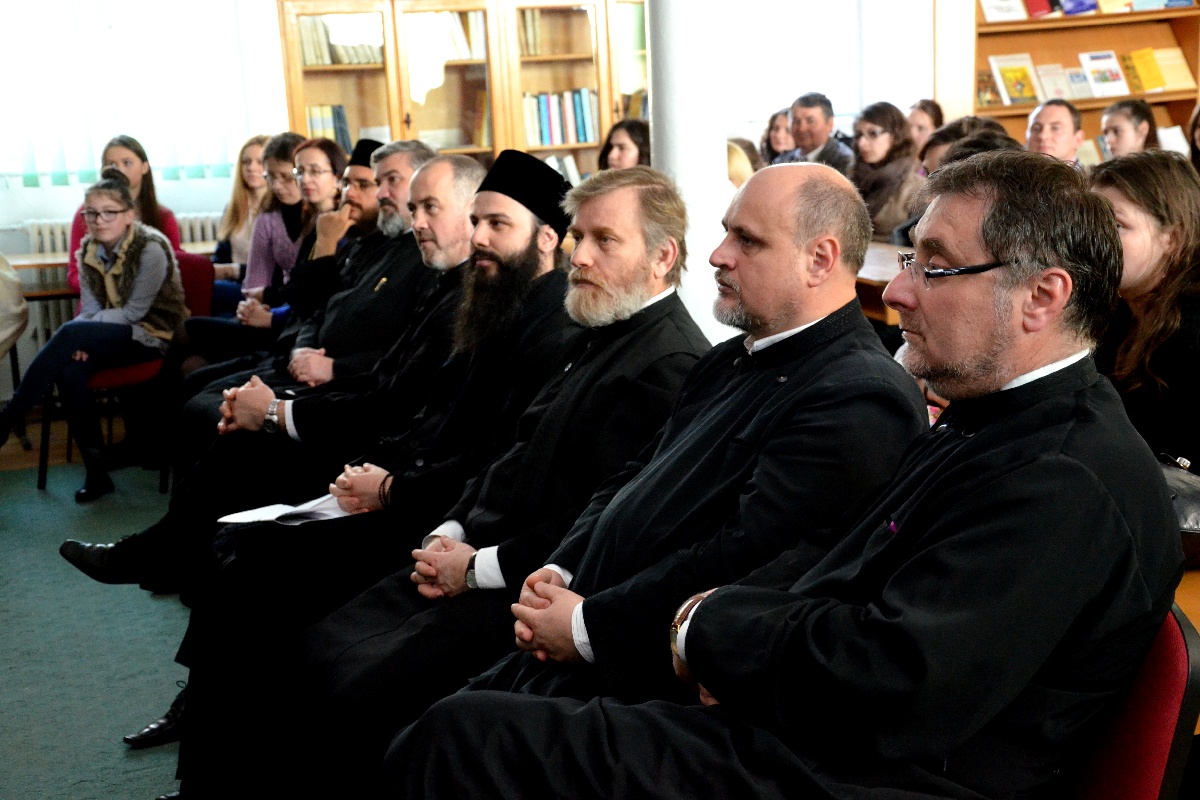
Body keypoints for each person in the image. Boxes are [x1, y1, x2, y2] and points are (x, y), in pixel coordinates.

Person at [384, 149, 1184, 800]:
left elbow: (893, 679)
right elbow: (834, 562)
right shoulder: (1000, 417)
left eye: (933, 267)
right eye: (911, 257)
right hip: (816, 739)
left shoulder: (1062, 474)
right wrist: (711, 628)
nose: (897, 291)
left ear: (1041, 297)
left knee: (466, 743)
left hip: (863, 778)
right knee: (479, 708)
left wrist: (701, 630)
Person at [163, 164, 711, 799]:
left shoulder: (666, 362)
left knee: (357, 686)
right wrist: (448, 529)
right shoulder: (603, 328)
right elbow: (511, 455)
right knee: (310, 649)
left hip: (523, 588)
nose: (578, 254)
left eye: (603, 240)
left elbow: (595, 522)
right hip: (467, 547)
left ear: (662, 256)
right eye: (578, 236)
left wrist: (472, 564)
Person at [421, 162, 927, 720]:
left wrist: (587, 625)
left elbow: (749, 558)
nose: (717, 255)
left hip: (647, 676)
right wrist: (563, 567)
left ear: (820, 259)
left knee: (443, 736)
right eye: (726, 231)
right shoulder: (728, 359)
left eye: (747, 240)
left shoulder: (859, 395)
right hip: (579, 618)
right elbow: (630, 476)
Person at [0, 169, 186, 501]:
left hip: (153, 336)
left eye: (109, 212)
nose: (99, 221)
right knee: (69, 371)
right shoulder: (87, 250)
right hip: (111, 335)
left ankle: (8, 418)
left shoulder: (151, 248)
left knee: (71, 334)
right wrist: (86, 335)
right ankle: (97, 474)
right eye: (91, 213)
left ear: (129, 215)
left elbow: (133, 314)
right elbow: (89, 308)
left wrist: (84, 334)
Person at [1091, 150, 1200, 464]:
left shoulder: (1192, 331)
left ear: (1173, 239)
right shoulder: (1112, 308)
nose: (1093, 239)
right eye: (1091, 222)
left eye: (1116, 225)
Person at [67, 135, 181, 294]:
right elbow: (74, 273)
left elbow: (176, 268)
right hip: (98, 302)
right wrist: (105, 286)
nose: (119, 170)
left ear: (144, 167)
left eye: (127, 163)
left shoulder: (163, 216)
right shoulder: (86, 213)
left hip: (148, 302)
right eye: (112, 164)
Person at [209, 134, 270, 315]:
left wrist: (233, 271)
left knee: (214, 290)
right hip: (234, 285)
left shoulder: (278, 210)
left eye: (259, 162)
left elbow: (274, 271)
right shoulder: (233, 208)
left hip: (262, 288)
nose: (252, 168)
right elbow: (220, 259)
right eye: (246, 162)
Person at [849, 101, 924, 242]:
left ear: (895, 136)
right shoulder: (851, 178)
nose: (862, 143)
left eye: (873, 133)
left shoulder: (916, 189)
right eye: (859, 135)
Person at [774, 92, 854, 175]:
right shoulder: (783, 161)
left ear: (830, 124)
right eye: (796, 121)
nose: (802, 128)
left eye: (810, 121)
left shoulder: (845, 162)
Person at [1027, 98, 1085, 164]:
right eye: (1036, 128)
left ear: (1078, 139)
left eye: (1056, 128)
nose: (1043, 136)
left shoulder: (1088, 174)